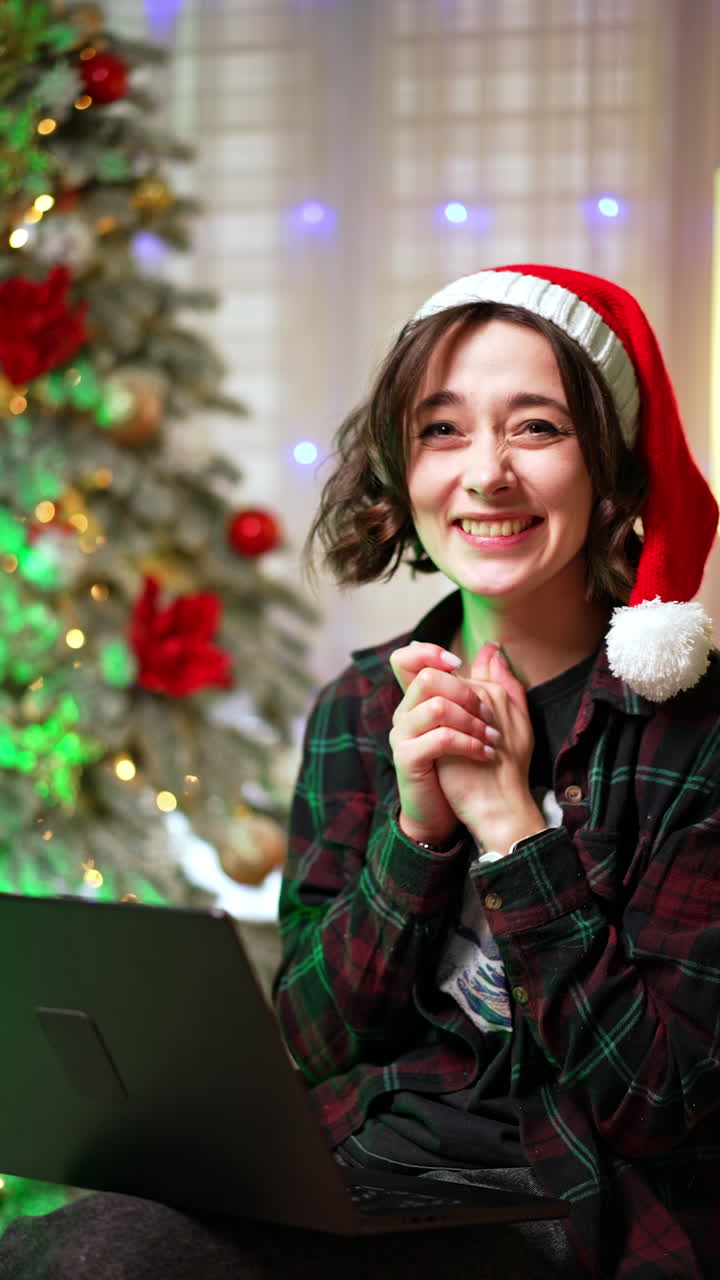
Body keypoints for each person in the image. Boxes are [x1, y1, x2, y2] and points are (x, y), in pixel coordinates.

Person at [0, 265, 718, 1280]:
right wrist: (416, 834)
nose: (487, 474)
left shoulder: (695, 734)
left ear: (612, 466)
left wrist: (513, 831)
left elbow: (658, 1098)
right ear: (400, 466)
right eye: (442, 429)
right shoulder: (359, 708)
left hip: (574, 1204)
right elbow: (317, 1040)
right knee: (70, 1246)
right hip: (365, 1169)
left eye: (538, 427)